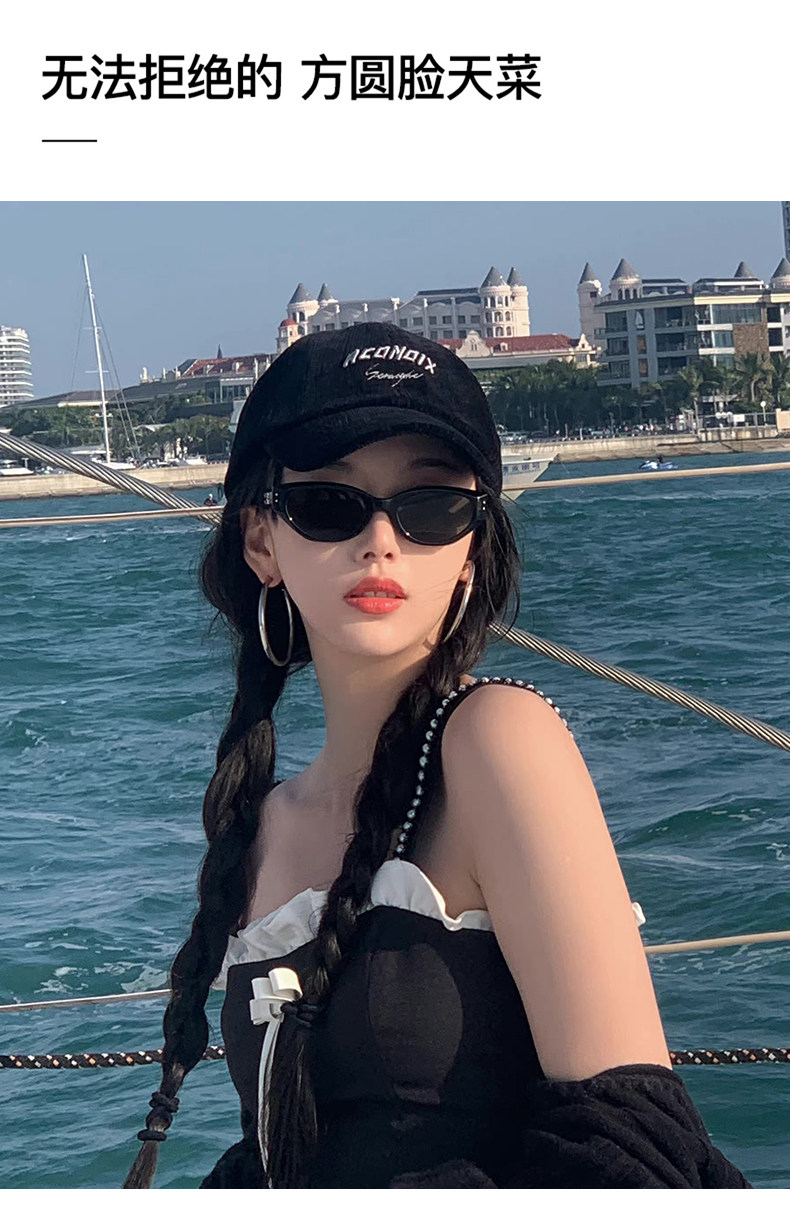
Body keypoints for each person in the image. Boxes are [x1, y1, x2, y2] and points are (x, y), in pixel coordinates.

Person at [123, 322, 749, 1190]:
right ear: (261, 540)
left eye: (430, 507)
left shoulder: (498, 739)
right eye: (330, 503)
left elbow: (633, 1147)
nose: (382, 540)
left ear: (470, 550)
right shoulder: (263, 826)